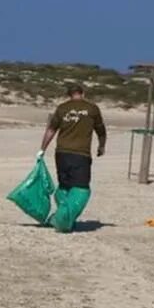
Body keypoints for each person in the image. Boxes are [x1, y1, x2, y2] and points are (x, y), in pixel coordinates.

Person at [38, 84, 106, 232]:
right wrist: (101, 146)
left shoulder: (62, 108)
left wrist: (42, 149)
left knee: (65, 186)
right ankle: (62, 220)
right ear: (83, 93)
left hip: (61, 154)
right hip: (81, 154)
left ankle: (65, 217)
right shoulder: (92, 108)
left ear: (69, 94)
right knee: (81, 188)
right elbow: (101, 130)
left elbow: (51, 130)